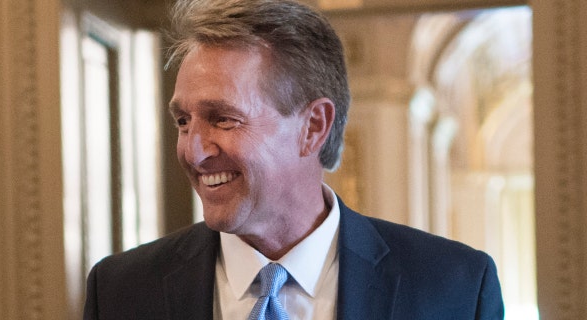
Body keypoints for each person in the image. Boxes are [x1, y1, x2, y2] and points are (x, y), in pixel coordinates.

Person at [83, 0, 504, 319]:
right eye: (183, 120)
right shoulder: (122, 291)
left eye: (223, 119)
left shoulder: (455, 288)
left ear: (313, 127)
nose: (193, 151)